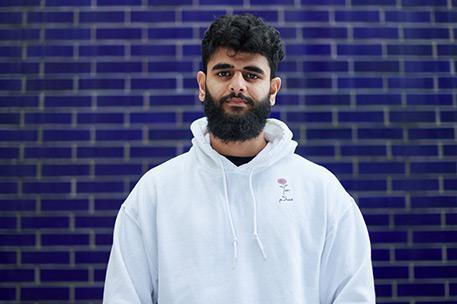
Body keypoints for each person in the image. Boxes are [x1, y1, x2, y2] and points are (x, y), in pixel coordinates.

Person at [103, 14, 375, 304]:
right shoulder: (155, 193)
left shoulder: (322, 191)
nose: (237, 86)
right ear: (201, 84)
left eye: (252, 74)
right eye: (223, 73)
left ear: (273, 90)